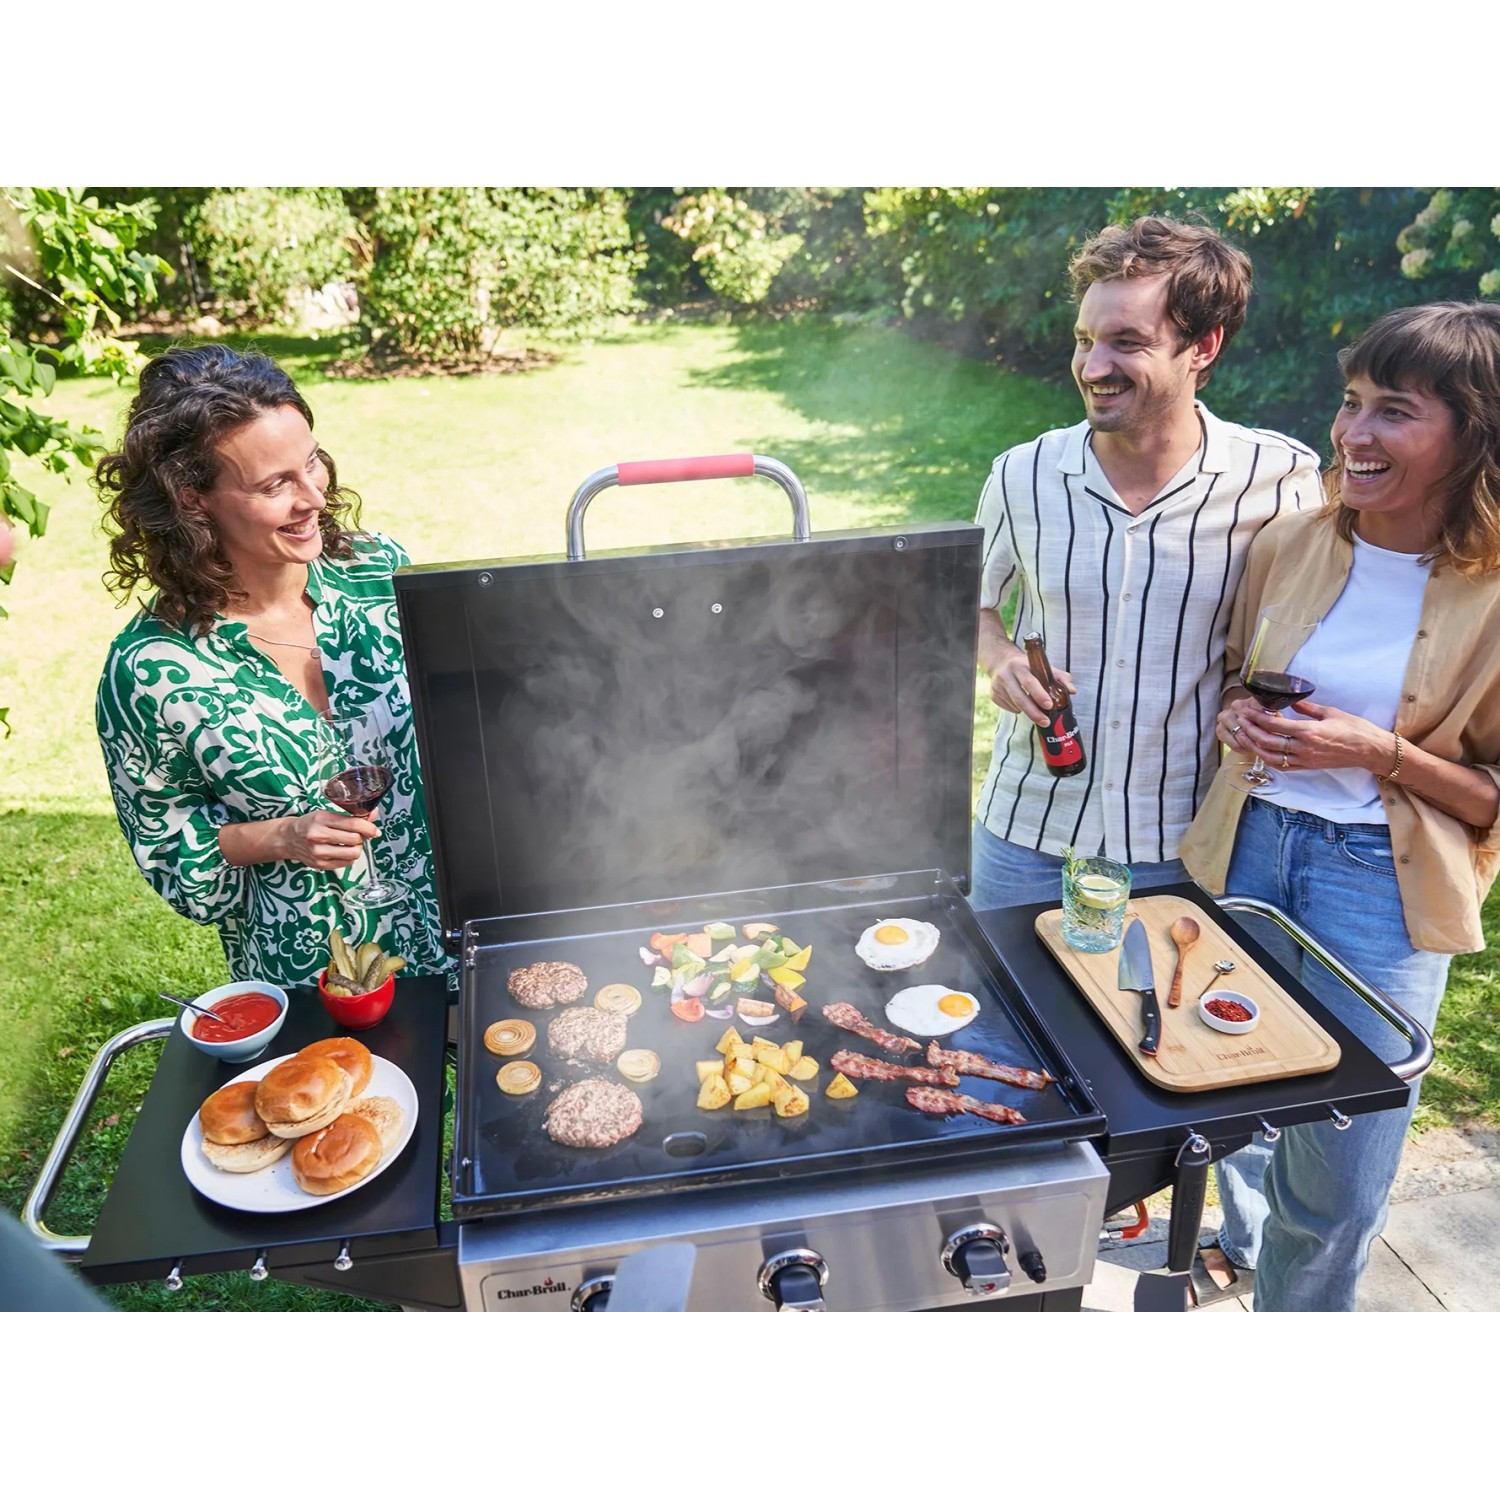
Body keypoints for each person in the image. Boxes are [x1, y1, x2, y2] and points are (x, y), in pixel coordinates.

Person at [1179, 301, 1500, 1311]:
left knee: (1339, 1170)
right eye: (1352, 404)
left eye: (1394, 413)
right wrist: (1240, 715)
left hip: (1380, 893)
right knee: (1229, 1089)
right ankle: (1241, 1242)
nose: (1354, 436)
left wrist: (1378, 753)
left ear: (1474, 435)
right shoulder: (1292, 541)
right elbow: (1240, 674)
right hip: (1253, 845)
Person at [970, 216, 1323, 910]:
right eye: (1084, 340)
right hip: (1026, 827)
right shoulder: (1022, 474)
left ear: (1204, 346)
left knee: (1156, 1017)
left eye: (1127, 343)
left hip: (1181, 845)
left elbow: (1300, 641)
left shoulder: (1280, 478)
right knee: (998, 1020)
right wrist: (1001, 658)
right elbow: (967, 605)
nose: (1092, 367)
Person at [94, 344, 448, 988]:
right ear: (193, 499)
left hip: (449, 922)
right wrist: (284, 836)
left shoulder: (379, 572)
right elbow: (176, 855)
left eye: (311, 463)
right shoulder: (148, 673)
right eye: (274, 484)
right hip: (316, 967)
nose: (314, 496)